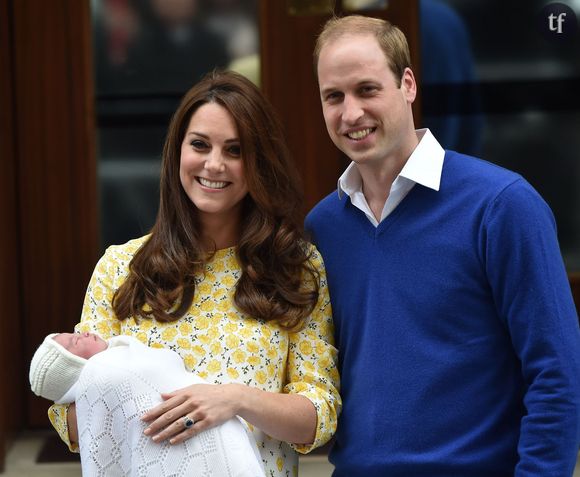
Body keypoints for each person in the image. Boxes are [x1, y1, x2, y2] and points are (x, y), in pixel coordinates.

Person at [305, 14, 580, 477]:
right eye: (334, 96)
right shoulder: (324, 226)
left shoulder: (502, 206)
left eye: (367, 89)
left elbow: (556, 372)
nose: (350, 113)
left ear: (407, 84)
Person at [48, 70, 341, 476]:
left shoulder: (296, 268)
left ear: (260, 162)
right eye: (200, 145)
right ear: (177, 151)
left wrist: (234, 400)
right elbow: (72, 421)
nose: (214, 164)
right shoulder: (120, 267)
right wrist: (133, 397)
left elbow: (319, 416)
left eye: (235, 150)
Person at [30, 331, 265, 476]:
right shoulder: (105, 371)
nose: (81, 332)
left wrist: (236, 398)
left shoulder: (120, 357)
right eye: (73, 343)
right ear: (73, 367)